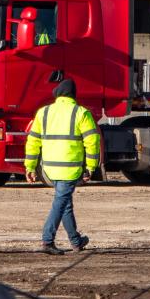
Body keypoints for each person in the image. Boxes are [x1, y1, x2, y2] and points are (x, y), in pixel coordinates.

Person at [23, 79, 100, 254]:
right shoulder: (81, 113)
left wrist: (30, 166)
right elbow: (92, 142)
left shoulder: (44, 112)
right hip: (70, 168)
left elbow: (33, 141)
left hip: (49, 168)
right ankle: (47, 241)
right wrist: (91, 167)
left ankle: (76, 241)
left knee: (65, 203)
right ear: (74, 95)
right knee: (60, 202)